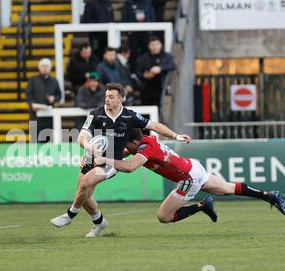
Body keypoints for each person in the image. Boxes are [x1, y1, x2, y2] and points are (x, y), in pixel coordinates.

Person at [50, 83, 191, 237]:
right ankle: (99, 222)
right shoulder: (96, 114)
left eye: (111, 97)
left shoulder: (129, 116)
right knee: (83, 194)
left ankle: (69, 216)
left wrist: (176, 136)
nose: (107, 99)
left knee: (85, 184)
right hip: (91, 156)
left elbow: (155, 126)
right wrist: (88, 146)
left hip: (111, 161)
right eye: (106, 96)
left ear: (120, 99)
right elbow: (81, 137)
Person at [95, 128, 285, 223]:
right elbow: (124, 156)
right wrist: (100, 159)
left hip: (187, 178)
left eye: (128, 145)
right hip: (193, 166)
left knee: (163, 216)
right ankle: (269, 195)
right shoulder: (144, 140)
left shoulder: (146, 148)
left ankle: (202, 205)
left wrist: (104, 161)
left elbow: (129, 167)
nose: (126, 148)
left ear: (135, 141)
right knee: (227, 188)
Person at [25, 58, 61, 143]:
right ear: (39, 68)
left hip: (49, 116)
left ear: (50, 68)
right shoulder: (33, 80)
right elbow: (28, 95)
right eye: (42, 66)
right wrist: (32, 104)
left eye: (47, 66)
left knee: (48, 140)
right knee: (34, 140)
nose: (44, 68)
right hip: (35, 115)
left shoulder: (54, 81)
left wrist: (54, 98)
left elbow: (59, 95)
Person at [136, 36, 176, 108]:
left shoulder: (166, 56)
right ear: (149, 46)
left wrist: (160, 68)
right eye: (152, 45)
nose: (155, 47)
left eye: (157, 44)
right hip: (147, 89)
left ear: (161, 45)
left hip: (161, 87)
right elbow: (138, 72)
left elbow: (172, 65)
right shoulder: (143, 58)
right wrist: (145, 75)